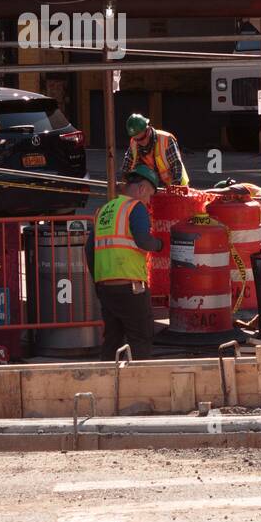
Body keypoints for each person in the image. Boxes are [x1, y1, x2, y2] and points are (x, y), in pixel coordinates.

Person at [86, 166, 164, 359]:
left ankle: (107, 382)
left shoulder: (104, 210)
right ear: (141, 189)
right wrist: (161, 244)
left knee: (113, 339)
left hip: (106, 287)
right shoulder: (135, 207)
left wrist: (98, 281)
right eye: (150, 196)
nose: (148, 201)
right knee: (140, 337)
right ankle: (138, 384)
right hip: (131, 286)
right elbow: (143, 241)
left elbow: (89, 250)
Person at [121, 113, 188, 188]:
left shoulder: (166, 139)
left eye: (142, 138)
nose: (140, 142)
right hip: (153, 188)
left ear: (148, 129)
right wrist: (126, 183)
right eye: (137, 139)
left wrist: (175, 187)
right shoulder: (134, 142)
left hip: (175, 186)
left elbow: (176, 165)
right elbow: (127, 165)